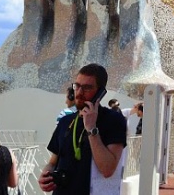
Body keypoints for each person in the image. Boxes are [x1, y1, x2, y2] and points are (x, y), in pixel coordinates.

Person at [39, 63, 127, 194]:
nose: (79, 93)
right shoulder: (65, 121)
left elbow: (107, 169)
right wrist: (46, 175)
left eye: (87, 88)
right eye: (77, 86)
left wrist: (91, 128)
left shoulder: (113, 120)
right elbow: (53, 162)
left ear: (100, 92)